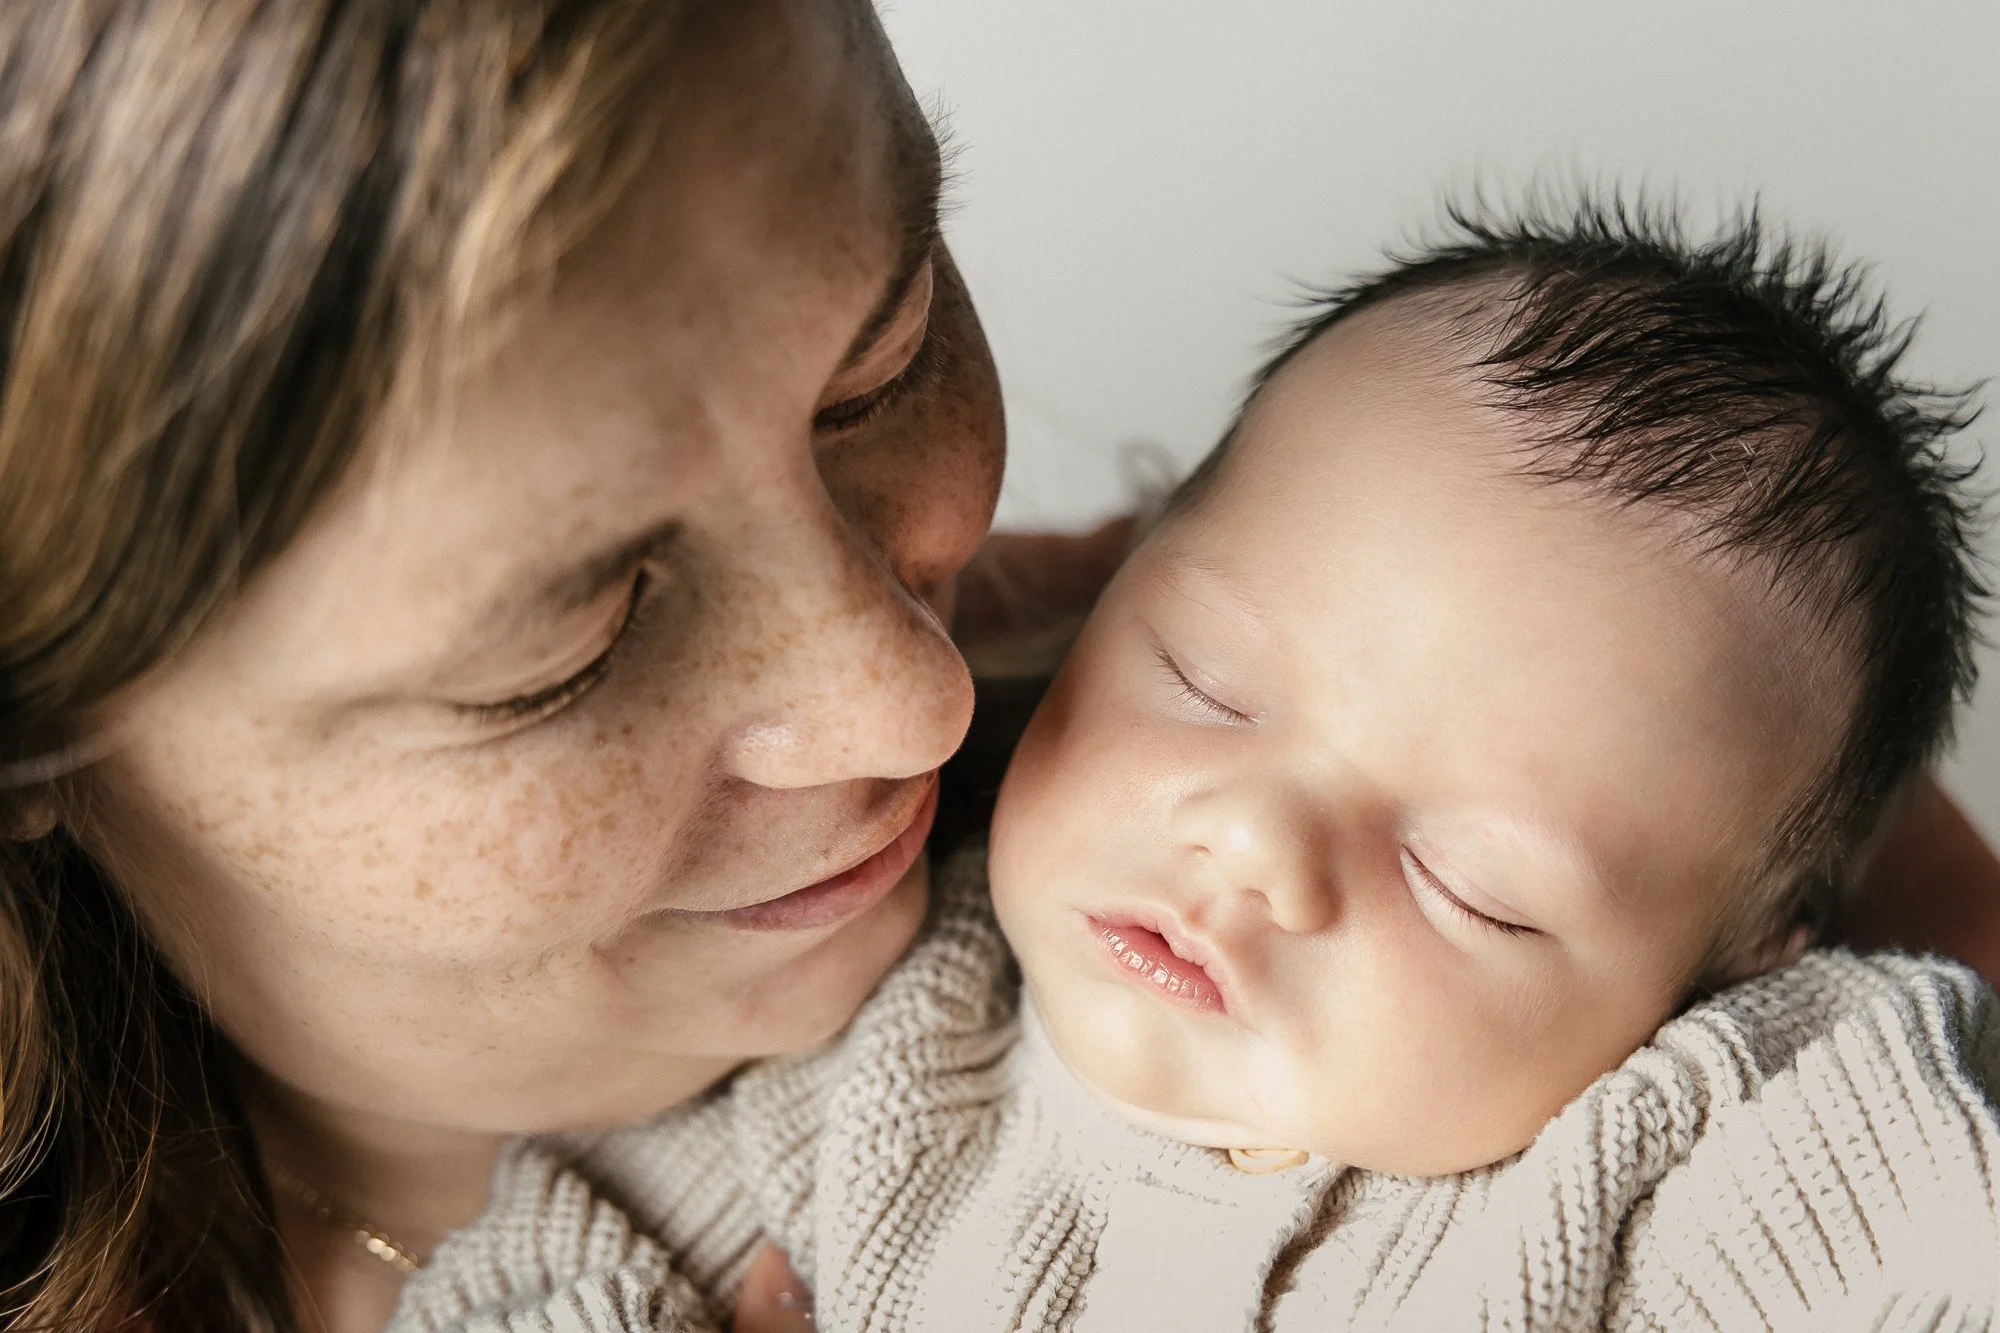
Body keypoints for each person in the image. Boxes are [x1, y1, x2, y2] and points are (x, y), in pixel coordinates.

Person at [0, 4, 1992, 1332]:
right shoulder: (870, 1111)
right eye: (567, 644)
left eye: (881, 367)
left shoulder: (1713, 1069)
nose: (926, 704)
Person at [392, 201, 2000, 1333]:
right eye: (1207, 686)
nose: (1253, 844)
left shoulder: (1686, 1149)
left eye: (1470, 886)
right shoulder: (876, 1059)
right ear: (1117, 584)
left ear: (1723, 978)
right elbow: (540, 1265)